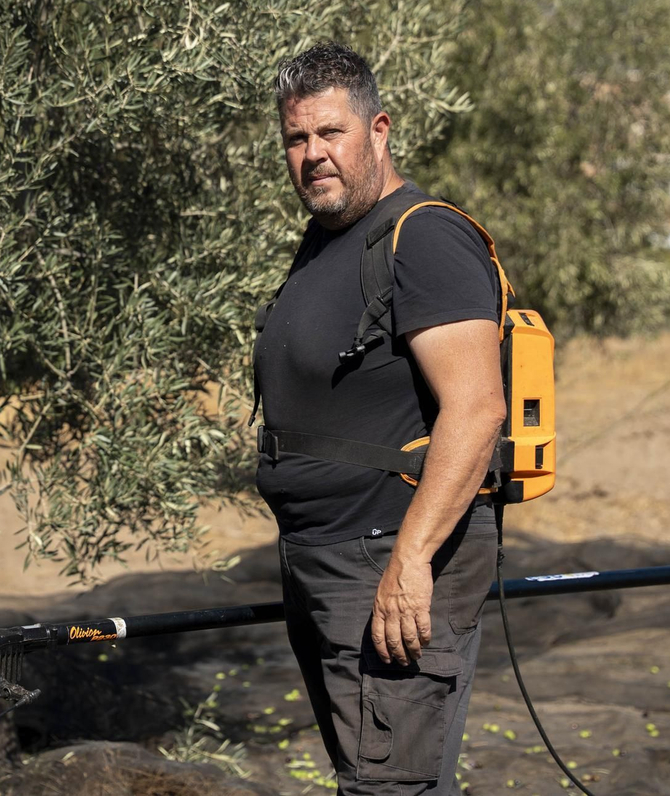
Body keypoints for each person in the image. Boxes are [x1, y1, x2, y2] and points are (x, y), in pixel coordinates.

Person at [254, 42, 507, 794]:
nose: (313, 155)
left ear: (379, 129)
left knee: (389, 787)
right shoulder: (329, 242)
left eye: (330, 133)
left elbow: (477, 407)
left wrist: (409, 561)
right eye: (296, 139)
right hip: (327, 562)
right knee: (375, 779)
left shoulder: (424, 238)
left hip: (385, 565)